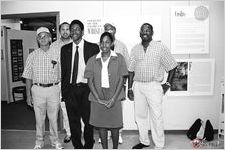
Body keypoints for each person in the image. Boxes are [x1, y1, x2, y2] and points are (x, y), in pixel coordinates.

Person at [128, 23, 177, 149]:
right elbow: (131, 70)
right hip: (138, 86)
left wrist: (167, 84)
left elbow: (172, 66)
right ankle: (144, 141)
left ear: (152, 32)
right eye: (143, 30)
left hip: (154, 86)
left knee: (157, 117)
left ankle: (159, 145)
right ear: (139, 33)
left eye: (148, 30)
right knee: (140, 116)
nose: (145, 32)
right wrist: (129, 88)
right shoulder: (135, 49)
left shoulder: (160, 47)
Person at [84, 32, 128, 149]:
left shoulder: (119, 58)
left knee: (115, 126)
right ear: (99, 43)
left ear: (112, 43)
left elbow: (121, 80)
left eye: (107, 42)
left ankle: (114, 148)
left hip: (115, 95)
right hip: (97, 96)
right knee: (101, 126)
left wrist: (113, 99)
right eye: (102, 42)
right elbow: (90, 81)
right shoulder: (92, 60)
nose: (104, 45)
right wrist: (98, 99)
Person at [60, 19, 99, 149]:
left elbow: (97, 70)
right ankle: (77, 146)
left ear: (82, 31)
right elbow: (64, 72)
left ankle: (88, 145)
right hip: (70, 90)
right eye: (72, 29)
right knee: (73, 121)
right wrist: (64, 93)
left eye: (77, 29)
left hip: (87, 89)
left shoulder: (93, 47)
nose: (74, 31)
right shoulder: (64, 49)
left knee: (88, 121)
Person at [22, 27, 63, 149]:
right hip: (37, 90)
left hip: (53, 89)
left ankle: (55, 141)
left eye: (45, 36)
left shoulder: (57, 54)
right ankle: (39, 141)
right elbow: (28, 76)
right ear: (37, 40)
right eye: (40, 36)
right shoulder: (32, 55)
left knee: (53, 118)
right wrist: (28, 95)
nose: (43, 38)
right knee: (39, 119)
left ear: (50, 38)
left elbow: (62, 74)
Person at [98, 22, 130, 144]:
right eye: (106, 29)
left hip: (118, 85)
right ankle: (103, 135)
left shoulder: (121, 45)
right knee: (103, 110)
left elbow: (126, 65)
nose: (109, 31)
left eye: (111, 29)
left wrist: (125, 83)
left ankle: (118, 133)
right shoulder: (100, 45)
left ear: (115, 30)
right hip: (103, 86)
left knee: (117, 111)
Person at [50, 22, 72, 143]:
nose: (65, 31)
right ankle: (69, 133)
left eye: (67, 29)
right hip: (61, 83)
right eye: (62, 29)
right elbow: (52, 64)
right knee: (65, 109)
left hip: (75, 82)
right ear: (59, 31)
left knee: (78, 108)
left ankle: (81, 131)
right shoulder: (54, 46)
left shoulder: (76, 43)